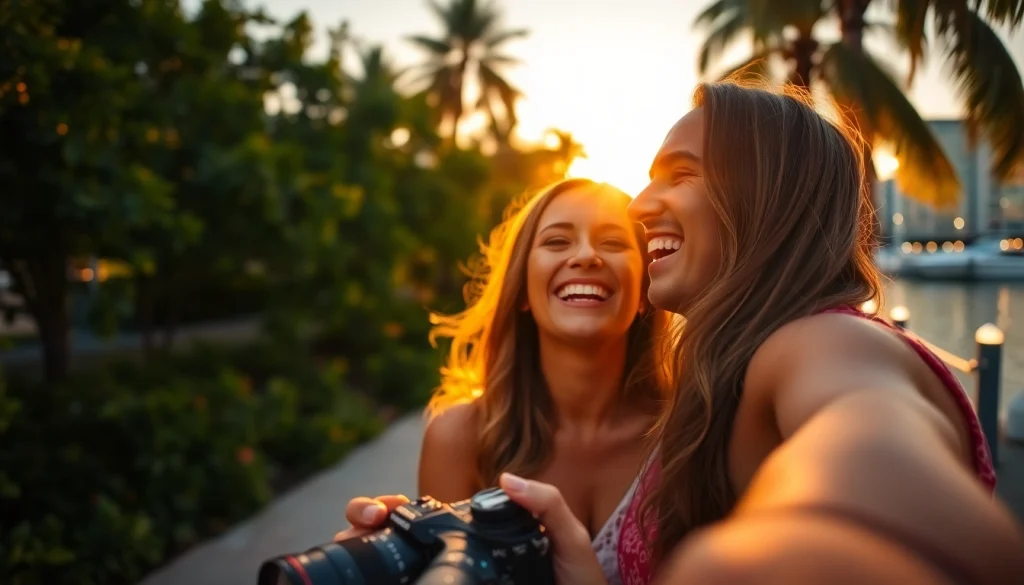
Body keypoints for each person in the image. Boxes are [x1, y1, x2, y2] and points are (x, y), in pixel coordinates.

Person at [340, 80, 1024, 585]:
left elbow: (871, 433)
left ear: (763, 197)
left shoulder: (816, 343)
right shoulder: (719, 392)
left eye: (681, 174)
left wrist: (823, 534)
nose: (640, 208)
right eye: (556, 241)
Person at [338, 177, 671, 585]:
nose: (585, 256)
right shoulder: (459, 438)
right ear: (523, 290)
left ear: (643, 291)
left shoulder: (685, 435)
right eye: (556, 242)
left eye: (613, 243)